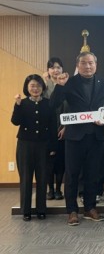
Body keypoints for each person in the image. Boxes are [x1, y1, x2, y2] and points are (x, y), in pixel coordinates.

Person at [50, 52, 104, 226]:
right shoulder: (69, 82)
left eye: (91, 63)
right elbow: (53, 105)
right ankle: (72, 210)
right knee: (72, 174)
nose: (88, 66)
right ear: (78, 65)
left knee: (93, 174)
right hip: (74, 136)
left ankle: (90, 207)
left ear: (96, 64)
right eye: (84, 63)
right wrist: (59, 86)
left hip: (96, 135)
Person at [11, 75, 56, 221]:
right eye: (32, 86)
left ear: (43, 87)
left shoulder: (49, 103)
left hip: (44, 145)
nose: (35, 88)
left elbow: (53, 127)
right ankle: (26, 211)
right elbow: (15, 121)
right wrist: (17, 105)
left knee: (42, 178)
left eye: (38, 86)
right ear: (27, 87)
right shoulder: (22, 103)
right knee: (26, 178)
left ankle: (41, 209)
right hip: (25, 145)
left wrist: (53, 146)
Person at [42, 57, 65, 201]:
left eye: (58, 67)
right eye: (52, 67)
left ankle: (58, 190)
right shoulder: (44, 85)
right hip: (47, 130)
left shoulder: (66, 84)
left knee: (60, 161)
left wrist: (65, 127)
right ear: (48, 70)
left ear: (62, 69)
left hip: (62, 128)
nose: (55, 70)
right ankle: (50, 189)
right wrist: (47, 82)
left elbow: (70, 107)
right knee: (48, 162)